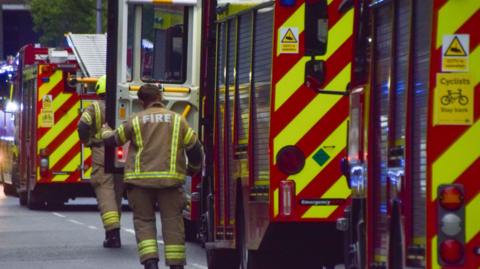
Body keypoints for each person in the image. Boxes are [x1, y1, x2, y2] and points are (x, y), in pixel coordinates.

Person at [101, 83, 203, 269]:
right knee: (173, 222)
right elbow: (195, 147)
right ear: (161, 97)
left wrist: (105, 130)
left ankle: (150, 263)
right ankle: (176, 265)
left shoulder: (135, 120)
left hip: (140, 184)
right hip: (170, 184)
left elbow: (113, 140)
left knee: (144, 222)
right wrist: (193, 168)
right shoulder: (178, 120)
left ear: (141, 101)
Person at [77, 75, 124, 248]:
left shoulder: (94, 108)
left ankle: (112, 235)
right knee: (117, 193)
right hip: (121, 153)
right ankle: (115, 230)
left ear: (99, 91)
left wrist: (87, 141)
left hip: (101, 151)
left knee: (105, 193)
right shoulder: (122, 105)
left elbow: (82, 126)